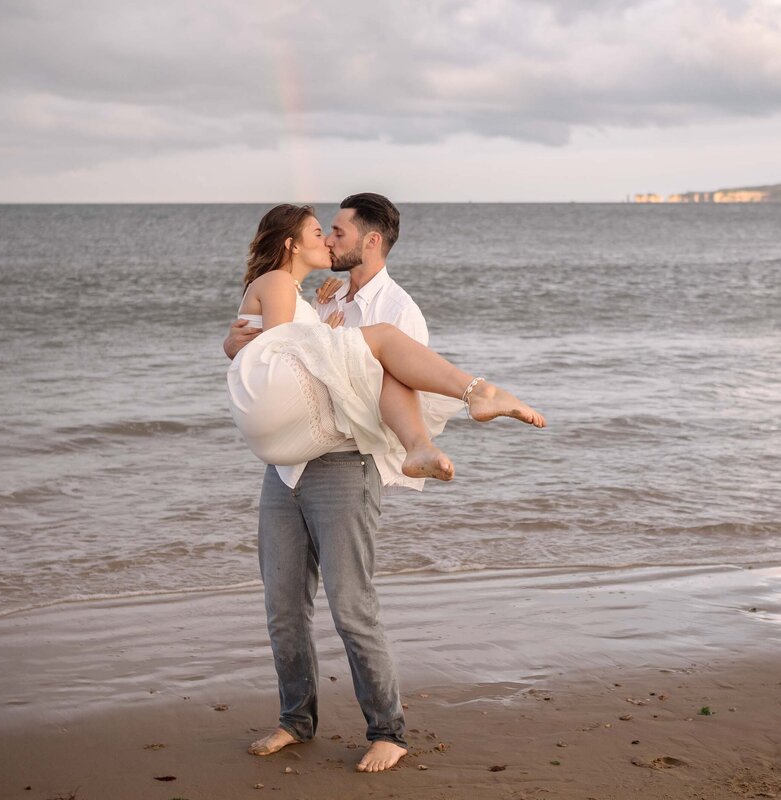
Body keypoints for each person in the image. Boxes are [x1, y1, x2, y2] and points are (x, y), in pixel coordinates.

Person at [223, 194, 544, 772]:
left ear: (369, 240)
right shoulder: (321, 296)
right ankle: (295, 720)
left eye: (338, 231)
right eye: (325, 231)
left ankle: (387, 730)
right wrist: (240, 339)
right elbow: (280, 361)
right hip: (286, 467)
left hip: (344, 468)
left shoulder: (397, 309)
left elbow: (388, 383)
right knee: (283, 607)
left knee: (352, 607)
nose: (331, 239)